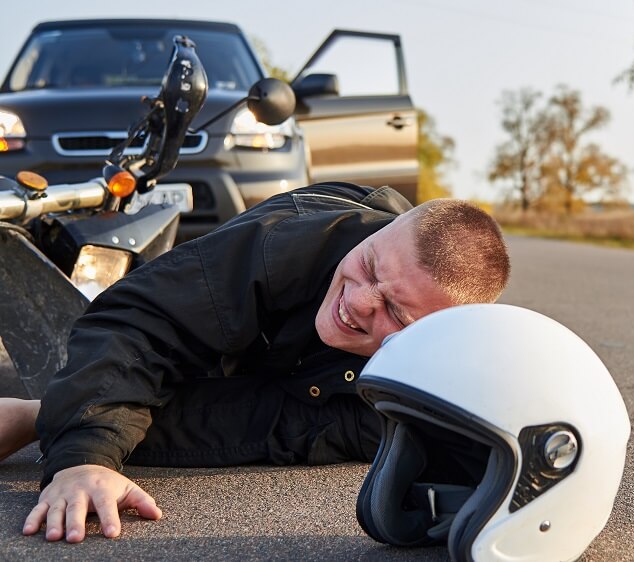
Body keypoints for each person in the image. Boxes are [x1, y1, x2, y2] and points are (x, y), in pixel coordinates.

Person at [0, 181, 511, 543]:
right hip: (239, 302)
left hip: (323, 376)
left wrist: (48, 421)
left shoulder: (420, 384)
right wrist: (84, 457)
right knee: (175, 351)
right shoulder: (283, 244)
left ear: (433, 338)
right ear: (378, 236)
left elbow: (257, 425)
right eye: (370, 264)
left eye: (394, 311)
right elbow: (141, 320)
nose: (358, 302)